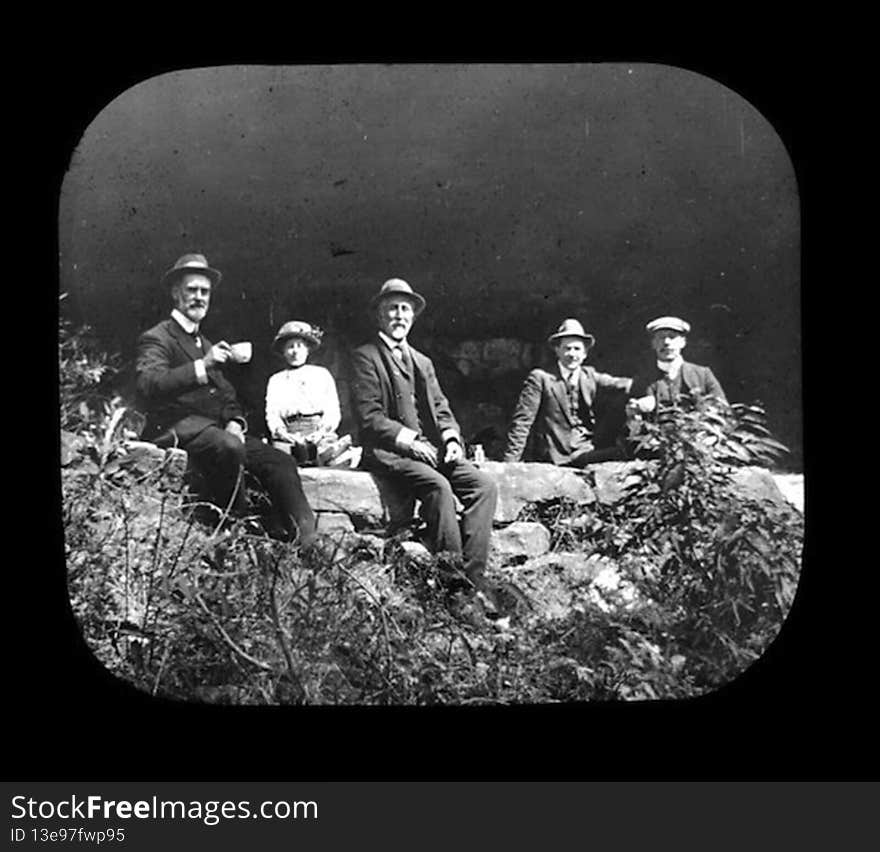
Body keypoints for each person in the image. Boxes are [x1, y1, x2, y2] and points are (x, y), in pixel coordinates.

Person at [135, 253, 317, 543]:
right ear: (175, 293)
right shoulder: (158, 337)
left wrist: (235, 420)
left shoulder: (205, 343)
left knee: (280, 461)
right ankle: (233, 535)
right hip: (175, 426)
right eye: (191, 290)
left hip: (216, 430)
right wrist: (202, 365)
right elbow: (148, 384)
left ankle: (306, 543)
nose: (199, 297)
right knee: (229, 447)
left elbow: (227, 393)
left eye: (204, 292)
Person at [350, 278, 498, 600]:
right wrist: (410, 442)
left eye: (406, 309)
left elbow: (441, 407)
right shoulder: (365, 357)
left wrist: (451, 441)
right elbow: (369, 417)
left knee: (484, 486)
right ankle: (453, 584)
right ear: (379, 315)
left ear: (413, 317)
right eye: (392, 308)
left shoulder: (422, 361)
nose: (400, 316)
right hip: (390, 452)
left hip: (429, 451)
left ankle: (474, 580)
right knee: (438, 487)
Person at [503, 318, 633, 466]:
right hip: (554, 455)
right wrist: (510, 464)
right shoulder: (541, 378)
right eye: (567, 348)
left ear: (585, 354)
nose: (572, 354)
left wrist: (650, 388)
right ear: (557, 350)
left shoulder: (589, 375)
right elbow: (522, 422)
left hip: (586, 449)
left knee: (624, 450)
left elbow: (622, 384)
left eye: (577, 349)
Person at [265, 320, 354, 467]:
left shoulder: (321, 374)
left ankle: (326, 455)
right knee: (279, 457)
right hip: (289, 434)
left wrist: (320, 433)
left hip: (318, 432)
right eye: (290, 347)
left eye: (299, 346)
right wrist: (283, 434)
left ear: (307, 349)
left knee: (330, 450)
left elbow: (332, 411)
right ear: (283, 352)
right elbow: (272, 414)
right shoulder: (276, 380)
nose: (295, 351)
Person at [627, 316, 727, 417]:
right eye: (661, 337)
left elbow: (723, 410)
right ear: (653, 343)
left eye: (672, 336)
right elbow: (634, 423)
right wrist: (634, 413)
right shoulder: (642, 381)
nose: (666, 342)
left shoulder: (703, 375)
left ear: (683, 342)